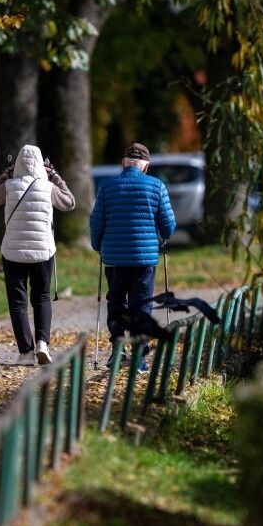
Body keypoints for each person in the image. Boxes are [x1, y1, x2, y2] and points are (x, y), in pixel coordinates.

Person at [0, 144, 76, 365]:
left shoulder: (9, 186)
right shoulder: (47, 187)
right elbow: (70, 202)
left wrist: (4, 176)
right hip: (43, 252)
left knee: (18, 303)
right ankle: (43, 342)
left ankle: (25, 352)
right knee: (41, 297)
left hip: (13, 252)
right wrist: (54, 176)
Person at [89, 142, 176, 371]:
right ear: (145, 166)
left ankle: (117, 350)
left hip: (114, 258)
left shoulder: (107, 187)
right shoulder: (156, 186)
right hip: (143, 259)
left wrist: (97, 245)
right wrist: (164, 236)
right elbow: (168, 225)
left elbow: (96, 221)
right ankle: (139, 357)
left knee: (116, 302)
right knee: (141, 307)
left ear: (123, 163)